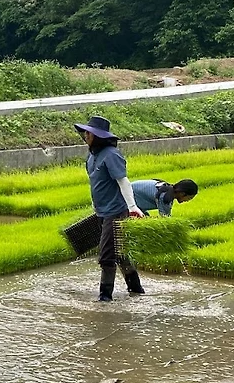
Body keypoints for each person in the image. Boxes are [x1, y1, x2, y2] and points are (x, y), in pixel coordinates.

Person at [73, 116, 145, 302]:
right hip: (101, 211)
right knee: (119, 252)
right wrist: (95, 205)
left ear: (98, 136)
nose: (85, 136)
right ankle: (136, 288)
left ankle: (105, 297)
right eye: (85, 132)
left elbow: (123, 181)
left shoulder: (112, 154)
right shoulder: (92, 156)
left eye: (89, 133)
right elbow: (96, 183)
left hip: (115, 211)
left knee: (106, 256)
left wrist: (132, 207)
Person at [131, 178, 198, 218]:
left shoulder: (167, 189)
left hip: (131, 197)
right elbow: (165, 219)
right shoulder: (165, 196)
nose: (187, 201)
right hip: (126, 197)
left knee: (145, 219)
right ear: (182, 193)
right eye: (189, 198)